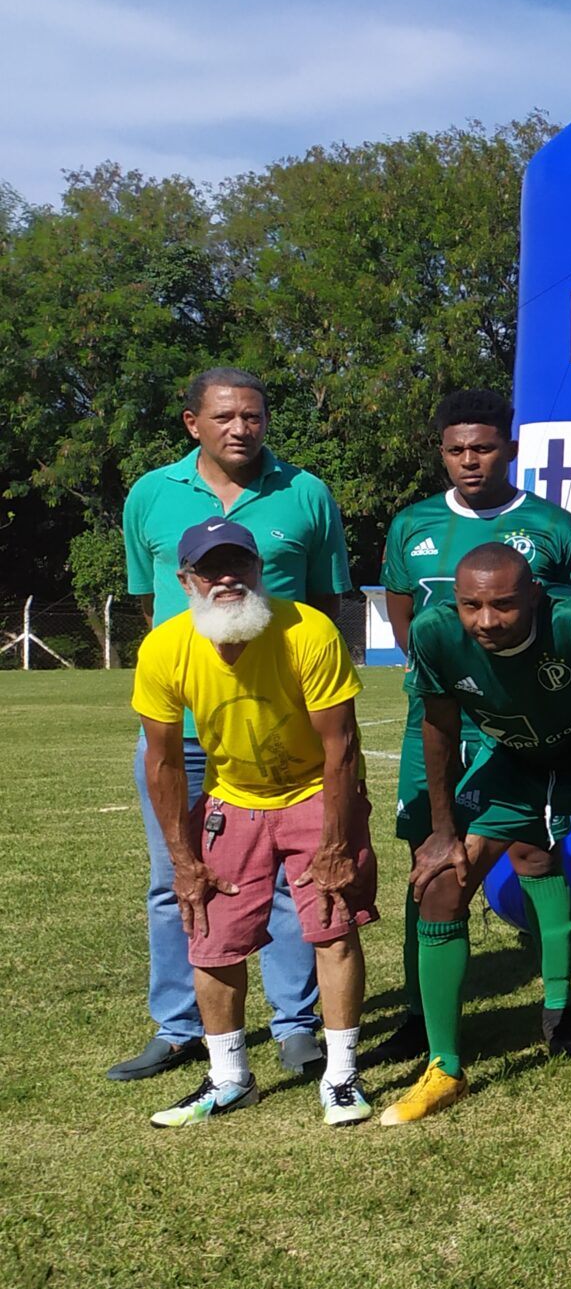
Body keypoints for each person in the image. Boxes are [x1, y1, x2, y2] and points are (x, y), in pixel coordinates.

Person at [113, 366, 351, 1084]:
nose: (240, 427)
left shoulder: (305, 492)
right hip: (181, 724)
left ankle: (295, 1026)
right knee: (175, 876)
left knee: (285, 875)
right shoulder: (150, 494)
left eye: (253, 415)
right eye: (224, 416)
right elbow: (148, 603)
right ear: (193, 423)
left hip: (279, 727)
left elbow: (325, 606)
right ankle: (181, 1026)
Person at [380, 545, 571, 1121]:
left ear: (534, 595)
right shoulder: (436, 631)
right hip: (511, 762)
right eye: (472, 606)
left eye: (503, 605)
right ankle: (443, 1067)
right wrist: (441, 831)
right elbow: (437, 727)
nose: (486, 621)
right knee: (441, 882)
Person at [372, 389, 571, 1066]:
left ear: (510, 448)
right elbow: (407, 623)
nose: (470, 461)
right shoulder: (410, 526)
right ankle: (422, 1018)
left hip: (527, 719)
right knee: (430, 861)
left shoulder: (554, 527)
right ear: (441, 451)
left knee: (535, 853)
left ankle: (560, 1006)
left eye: (483, 447)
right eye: (456, 449)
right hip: (443, 719)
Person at [134, 518, 372, 1126]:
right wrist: (183, 859)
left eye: (239, 565)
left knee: (331, 923)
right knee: (210, 935)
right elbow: (161, 760)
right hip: (231, 798)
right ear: (186, 581)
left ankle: (342, 1076)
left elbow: (341, 745)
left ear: (259, 571)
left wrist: (337, 840)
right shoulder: (165, 647)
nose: (227, 579)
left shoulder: (308, 630)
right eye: (211, 570)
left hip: (314, 791)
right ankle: (228, 1078)